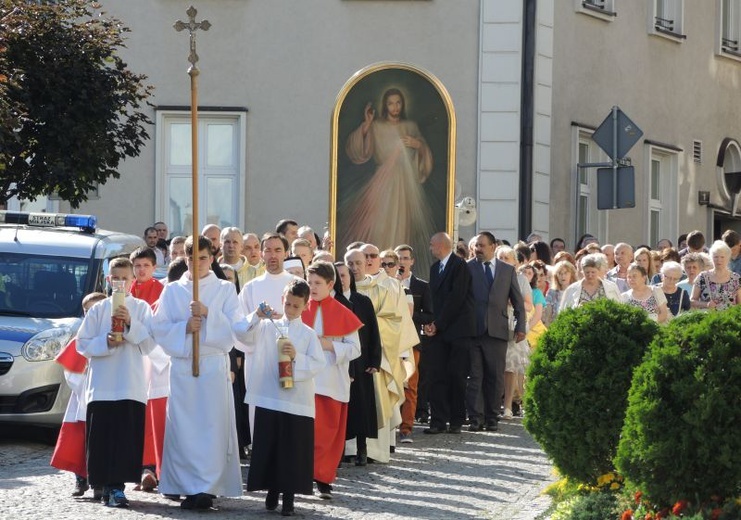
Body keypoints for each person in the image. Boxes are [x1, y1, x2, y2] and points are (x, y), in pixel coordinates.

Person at [151, 236, 247, 510]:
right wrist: (184, 328)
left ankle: (209, 486)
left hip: (213, 364)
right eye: (192, 259)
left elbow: (235, 330)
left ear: (212, 258)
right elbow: (159, 328)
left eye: (203, 258)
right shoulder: (172, 291)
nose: (198, 264)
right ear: (185, 260)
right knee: (185, 428)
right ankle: (186, 485)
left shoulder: (225, 290)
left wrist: (208, 314)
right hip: (183, 366)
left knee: (211, 426)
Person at [242, 279, 326, 516]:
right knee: (270, 445)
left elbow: (319, 364)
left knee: (292, 450)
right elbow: (243, 335)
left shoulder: (309, 334)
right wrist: (256, 315)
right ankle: (271, 488)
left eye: (295, 306)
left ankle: (288, 498)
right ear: (282, 300)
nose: (290, 310)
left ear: (306, 306)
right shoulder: (268, 326)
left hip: (296, 402)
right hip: (270, 396)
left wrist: (297, 356)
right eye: (287, 304)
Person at [76, 257, 155, 508]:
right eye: (116, 278)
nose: (121, 283)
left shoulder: (142, 308)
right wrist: (106, 342)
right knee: (102, 438)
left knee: (125, 439)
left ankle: (117, 487)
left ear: (133, 280)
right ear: (109, 280)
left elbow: (150, 344)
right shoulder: (99, 309)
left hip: (130, 383)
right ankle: (102, 484)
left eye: (125, 278)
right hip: (102, 384)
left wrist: (130, 323)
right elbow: (82, 344)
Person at [343, 88, 434, 269]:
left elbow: (424, 157)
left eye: (398, 102)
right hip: (382, 183)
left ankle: (397, 266)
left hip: (405, 184)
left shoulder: (410, 126)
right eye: (391, 103)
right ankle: (375, 265)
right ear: (385, 105)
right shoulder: (377, 126)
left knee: (401, 226)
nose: (395, 107)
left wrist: (419, 145)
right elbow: (361, 153)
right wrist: (367, 125)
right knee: (380, 224)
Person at [300, 261, 362, 500]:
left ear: (330, 284)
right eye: (309, 281)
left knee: (327, 434)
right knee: (305, 432)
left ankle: (323, 478)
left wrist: (329, 345)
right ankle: (302, 475)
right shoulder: (300, 308)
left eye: (317, 283)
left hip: (332, 381)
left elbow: (355, 348)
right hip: (306, 380)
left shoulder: (343, 312)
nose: (312, 287)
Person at [466, 232, 525, 431]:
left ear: (493, 247)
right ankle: (476, 418)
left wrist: (521, 326)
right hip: (473, 330)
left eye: (482, 245)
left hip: (498, 331)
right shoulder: (468, 268)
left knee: (495, 376)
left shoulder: (507, 270)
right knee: (475, 376)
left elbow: (518, 301)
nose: (478, 249)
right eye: (476, 246)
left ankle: (492, 416)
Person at [50, 292, 107, 499]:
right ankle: (80, 479)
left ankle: (99, 481)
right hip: (82, 396)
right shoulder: (81, 336)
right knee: (79, 441)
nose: (92, 314)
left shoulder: (112, 333)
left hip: (105, 395)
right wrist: (82, 383)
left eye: (97, 309)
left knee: (101, 441)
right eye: (88, 310)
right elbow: (70, 371)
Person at [424, 233, 475, 435]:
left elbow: (456, 297)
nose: (429, 248)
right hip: (439, 331)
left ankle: (456, 420)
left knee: (457, 375)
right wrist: (432, 323)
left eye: (431, 245)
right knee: (437, 374)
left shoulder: (459, 266)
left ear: (440, 246)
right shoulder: (435, 268)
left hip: (458, 331)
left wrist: (439, 323)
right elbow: (434, 300)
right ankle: (437, 420)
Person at [334, 261, 381, 466]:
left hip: (361, 363)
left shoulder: (363, 301)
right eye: (338, 276)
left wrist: (375, 360)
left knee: (362, 408)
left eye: (345, 275)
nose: (342, 279)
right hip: (340, 362)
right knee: (342, 407)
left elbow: (373, 333)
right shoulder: (333, 303)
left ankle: (362, 449)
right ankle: (340, 451)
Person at [128, 247, 166, 492]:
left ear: (154, 267)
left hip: (153, 358)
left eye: (145, 266)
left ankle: (151, 466)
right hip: (129, 359)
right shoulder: (125, 291)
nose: (141, 270)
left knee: (152, 412)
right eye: (137, 266)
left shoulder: (162, 291)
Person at [394, 244, 434, 437]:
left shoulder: (422, 286)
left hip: (412, 342)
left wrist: (410, 315)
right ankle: (390, 425)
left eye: (405, 258)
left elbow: (429, 314)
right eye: (398, 258)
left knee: (410, 384)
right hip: (391, 341)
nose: (401, 262)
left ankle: (406, 427)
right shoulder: (388, 284)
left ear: (412, 261)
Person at [690, 240, 741, 310]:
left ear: (728, 258)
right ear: (711, 258)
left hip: (729, 319)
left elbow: (740, 305)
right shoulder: (702, 277)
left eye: (722, 257)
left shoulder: (736, 278)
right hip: (708, 319)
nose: (719, 260)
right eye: (716, 257)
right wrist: (706, 304)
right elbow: (692, 301)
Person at [543, 260, 577, 326]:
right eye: (560, 273)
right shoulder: (551, 293)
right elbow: (548, 317)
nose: (563, 276)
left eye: (565, 273)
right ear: (556, 276)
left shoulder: (577, 291)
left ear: (571, 274)